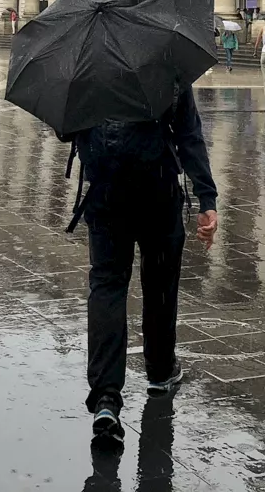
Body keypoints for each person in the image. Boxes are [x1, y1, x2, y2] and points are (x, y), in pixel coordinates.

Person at [67, 86, 219, 443]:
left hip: (104, 191)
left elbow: (66, 130)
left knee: (106, 286)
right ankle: (160, 370)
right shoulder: (166, 59)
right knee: (160, 281)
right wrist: (206, 197)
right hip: (158, 189)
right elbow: (188, 133)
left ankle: (106, 396)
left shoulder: (88, 65)